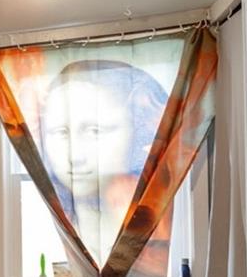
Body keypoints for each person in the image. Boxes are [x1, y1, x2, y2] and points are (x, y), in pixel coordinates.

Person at [38, 58, 169, 259]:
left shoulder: (156, 234)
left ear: (137, 131)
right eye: (60, 132)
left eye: (94, 131)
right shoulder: (49, 228)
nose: (75, 156)